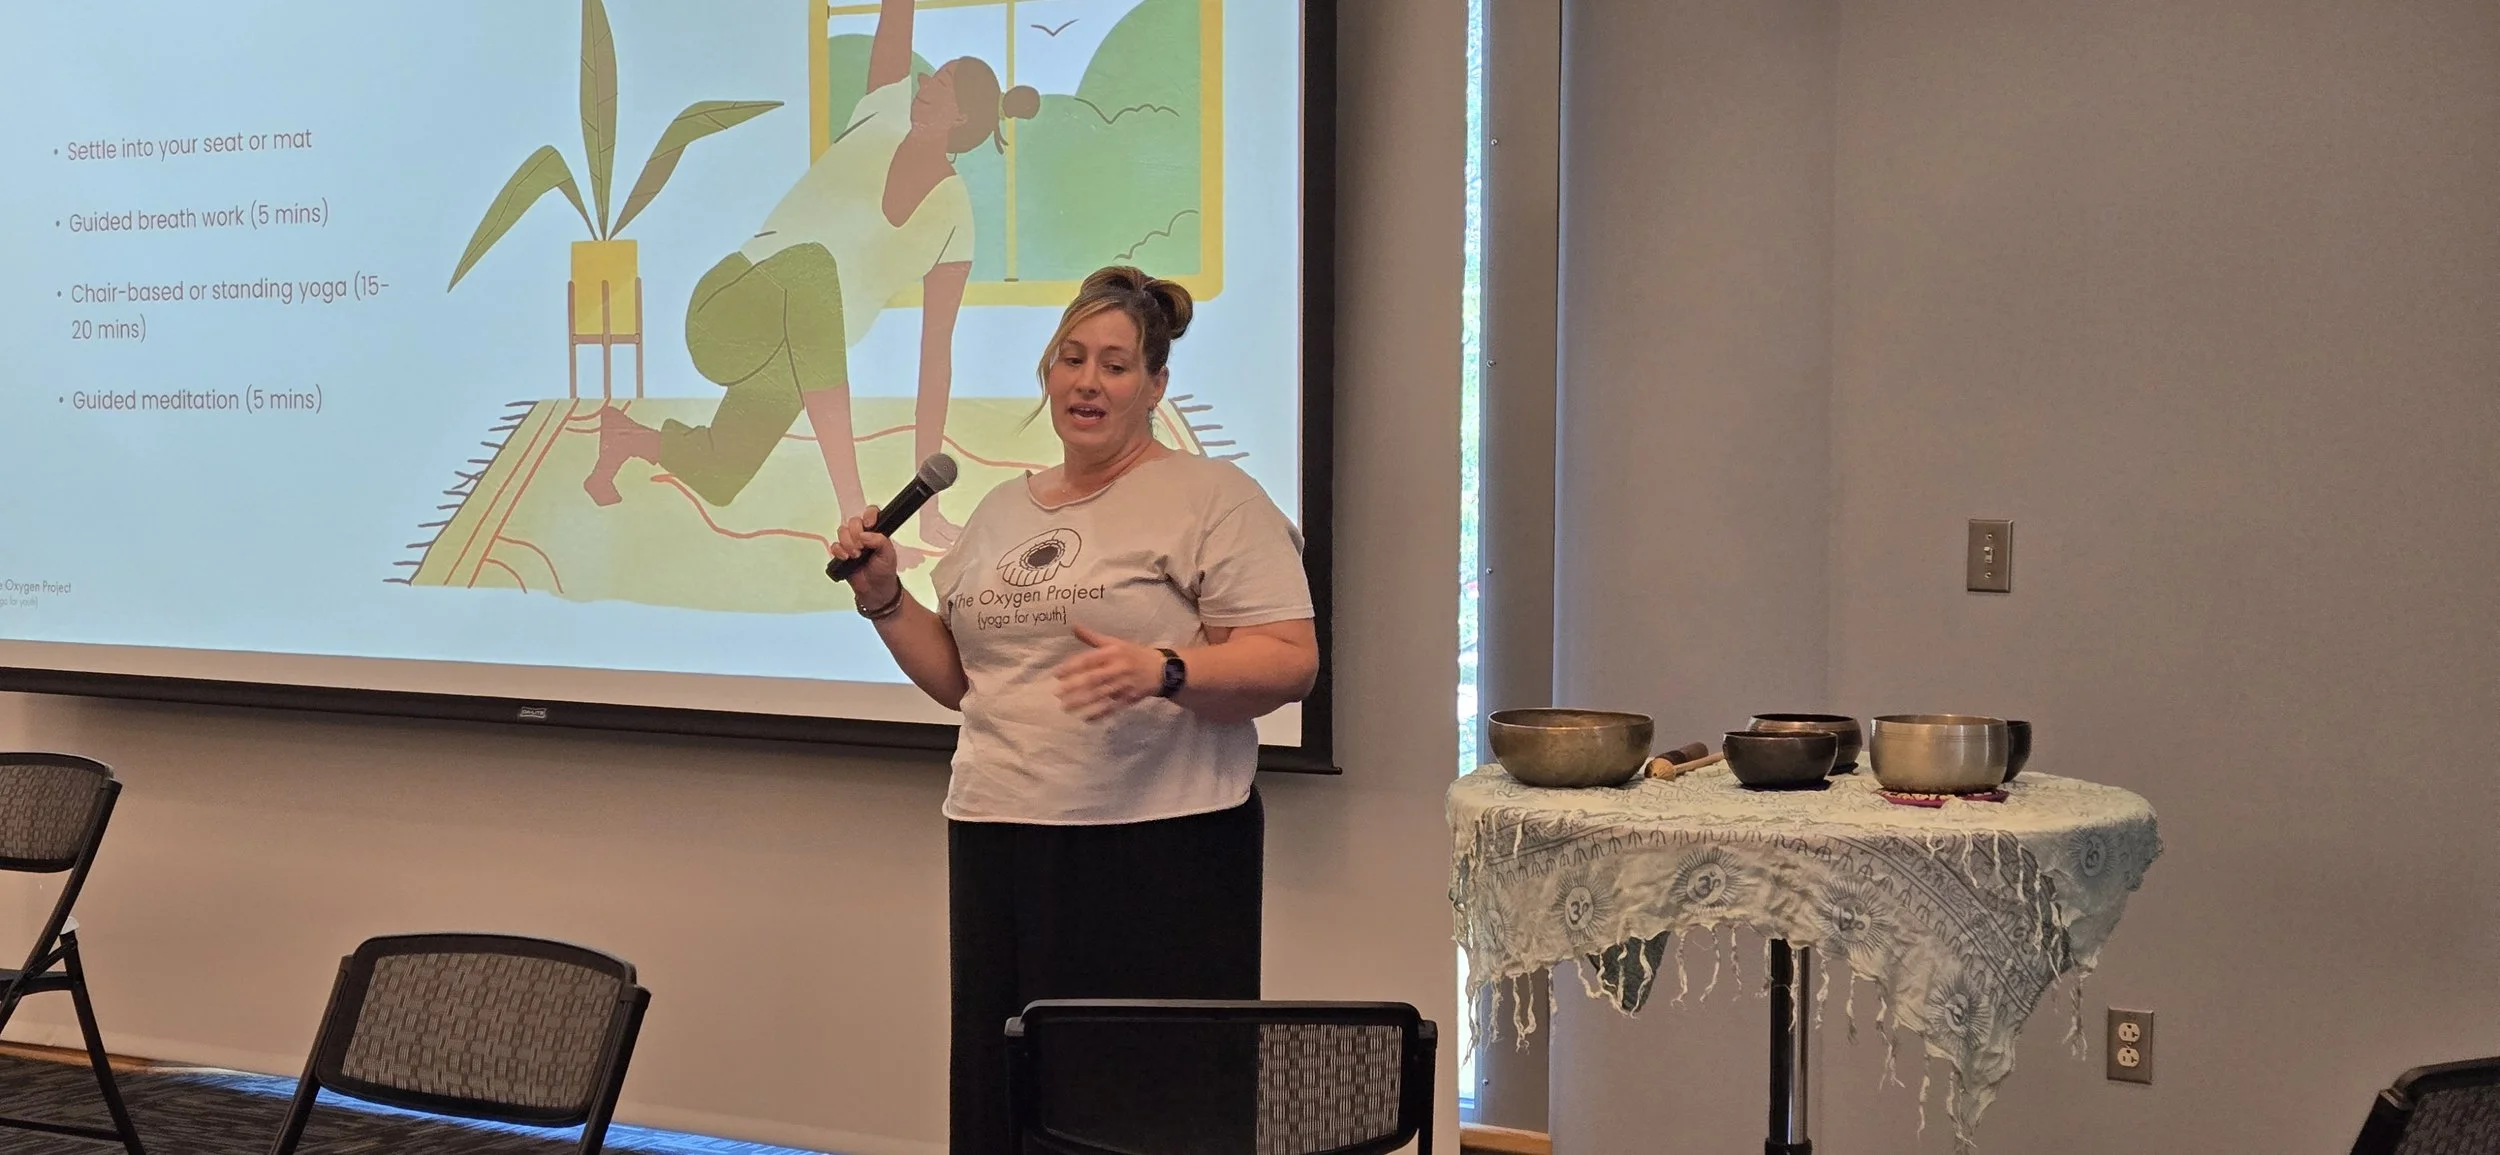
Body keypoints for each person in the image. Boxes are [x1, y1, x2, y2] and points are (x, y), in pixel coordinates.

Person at [828, 266, 1319, 1155]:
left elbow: (1291, 660)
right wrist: (885, 599)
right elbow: (964, 680)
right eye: (1071, 358)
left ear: (1155, 386)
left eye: (1117, 365)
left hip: (1161, 844)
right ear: (1048, 373)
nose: (1088, 381)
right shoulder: (999, 510)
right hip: (997, 832)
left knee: (1141, 1109)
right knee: (1009, 1100)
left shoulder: (1214, 498)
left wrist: (1167, 669)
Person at [587, 0, 1039, 553]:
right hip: (727, 311)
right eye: (926, 78)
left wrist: (928, 503)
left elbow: (935, 360)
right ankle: (854, 511)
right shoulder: (883, 109)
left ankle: (625, 436)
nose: (922, 85)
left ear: (962, 116)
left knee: (723, 472)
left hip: (794, 356)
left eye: (939, 85)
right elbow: (897, 14)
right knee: (813, 267)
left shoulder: (955, 218)